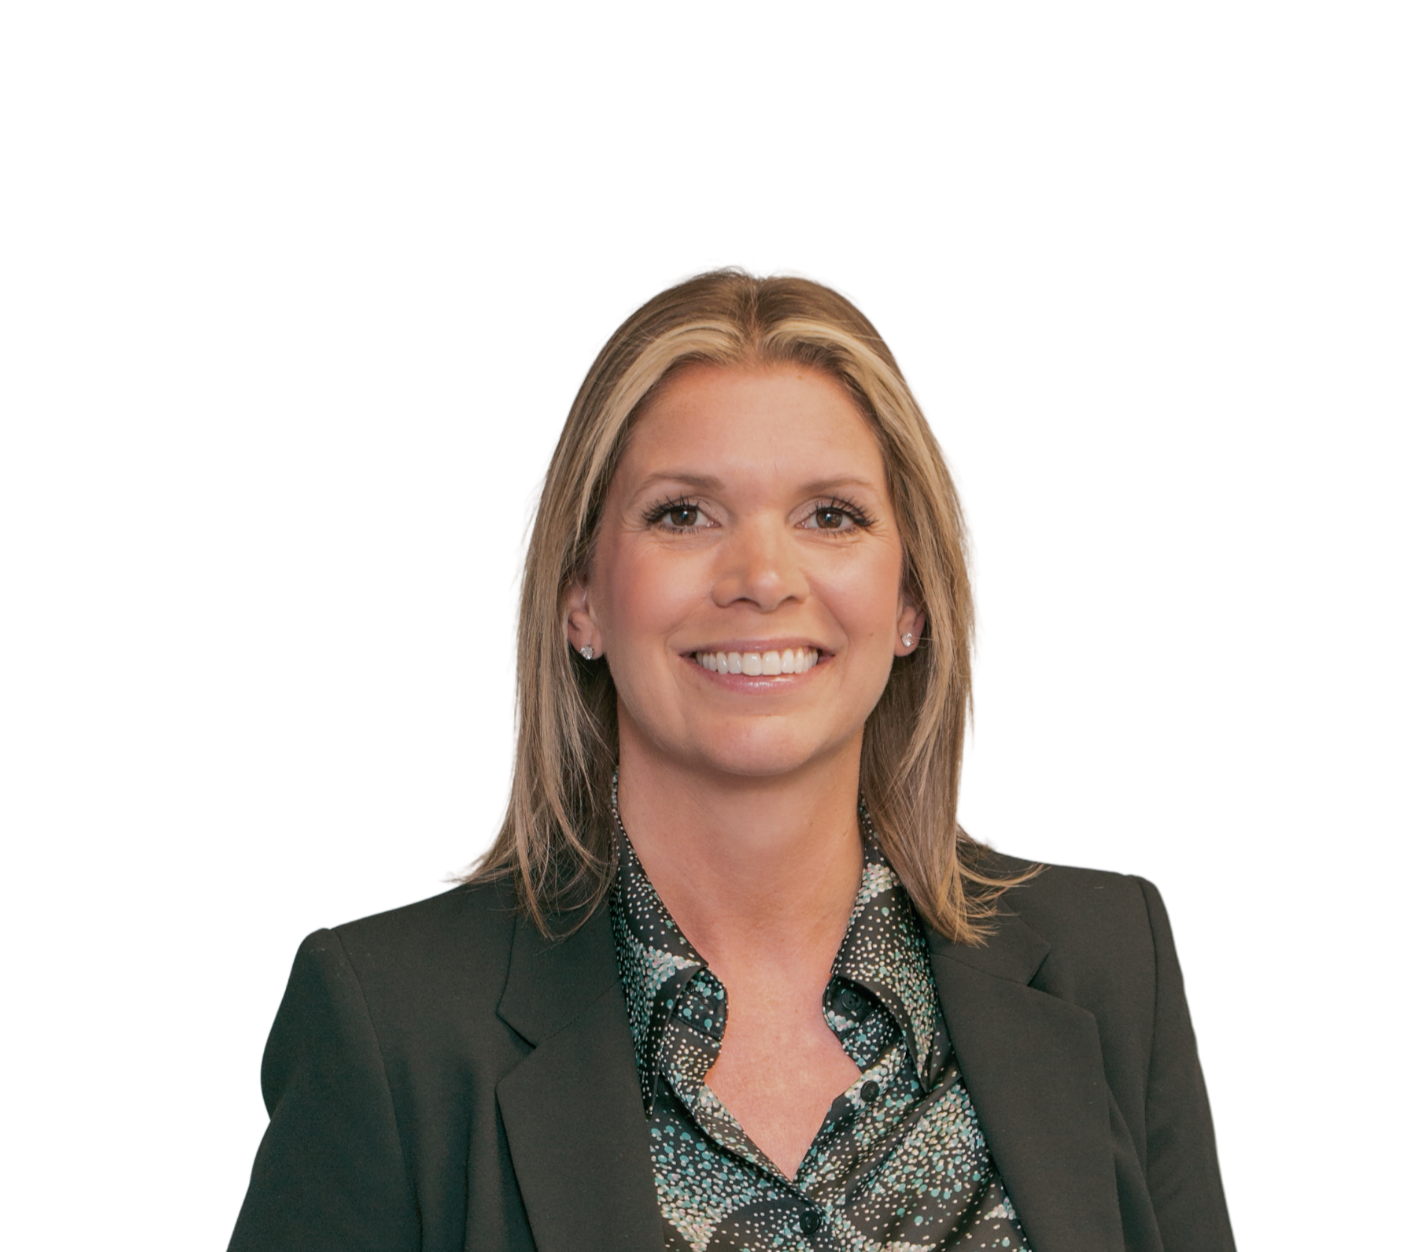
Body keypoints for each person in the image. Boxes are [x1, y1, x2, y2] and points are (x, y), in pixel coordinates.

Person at [228, 266, 1235, 1251]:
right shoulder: (384, 1019)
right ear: (581, 597)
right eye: (682, 513)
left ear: (911, 600)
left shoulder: (1110, 965)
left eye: (830, 515)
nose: (760, 576)